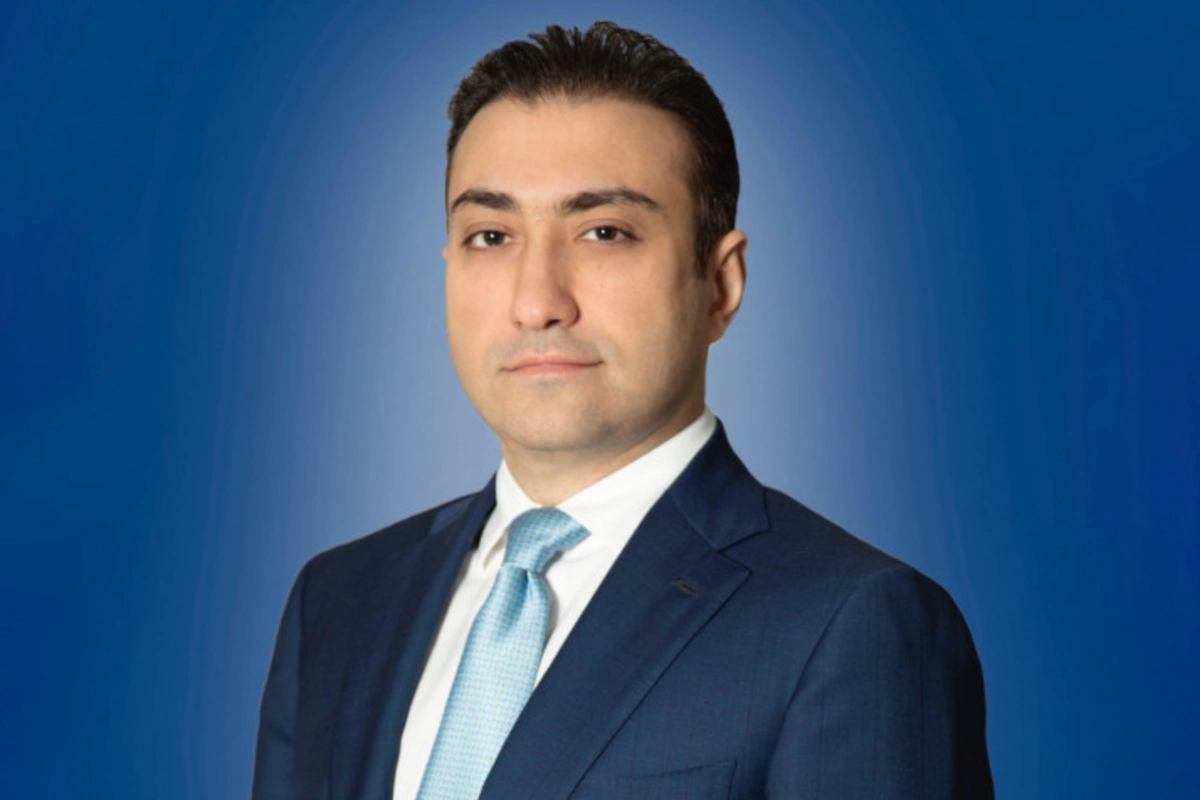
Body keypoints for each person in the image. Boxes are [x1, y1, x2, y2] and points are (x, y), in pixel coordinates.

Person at [252, 21, 993, 799]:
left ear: (721, 284)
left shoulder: (852, 623)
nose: (537, 301)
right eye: (491, 235)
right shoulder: (337, 600)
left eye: (604, 232)